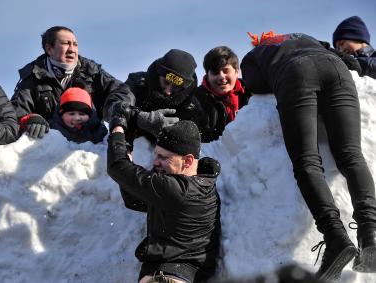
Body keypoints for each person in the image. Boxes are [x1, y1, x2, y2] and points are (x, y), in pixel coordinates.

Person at [240, 31, 376, 281]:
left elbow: (254, 84)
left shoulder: (255, 54)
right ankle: (371, 235)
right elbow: (343, 58)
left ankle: (336, 238)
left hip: (295, 74)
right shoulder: (308, 37)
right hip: (335, 69)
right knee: (352, 155)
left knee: (307, 161)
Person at [107, 117, 221, 283]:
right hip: (180, 271)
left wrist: (117, 129)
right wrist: (128, 169)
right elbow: (135, 200)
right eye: (156, 154)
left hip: (170, 276)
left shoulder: (176, 190)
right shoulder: (201, 183)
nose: (155, 162)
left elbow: (116, 167)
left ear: (188, 161)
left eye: (163, 157)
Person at [11, 26, 132, 138]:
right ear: (49, 49)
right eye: (65, 43)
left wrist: (116, 110)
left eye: (75, 44)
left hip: (91, 145)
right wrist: (31, 119)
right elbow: (14, 113)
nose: (72, 50)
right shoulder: (33, 77)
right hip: (52, 148)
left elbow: (123, 91)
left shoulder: (92, 72)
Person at [106, 49, 198, 145]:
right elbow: (114, 106)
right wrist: (139, 118)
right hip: (128, 143)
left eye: (176, 87)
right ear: (158, 74)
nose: (168, 91)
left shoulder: (191, 104)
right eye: (166, 82)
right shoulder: (137, 83)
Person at [190, 46, 251, 142]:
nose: (221, 76)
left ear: (236, 72)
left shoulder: (252, 93)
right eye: (215, 72)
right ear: (207, 75)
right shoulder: (196, 101)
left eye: (226, 71)